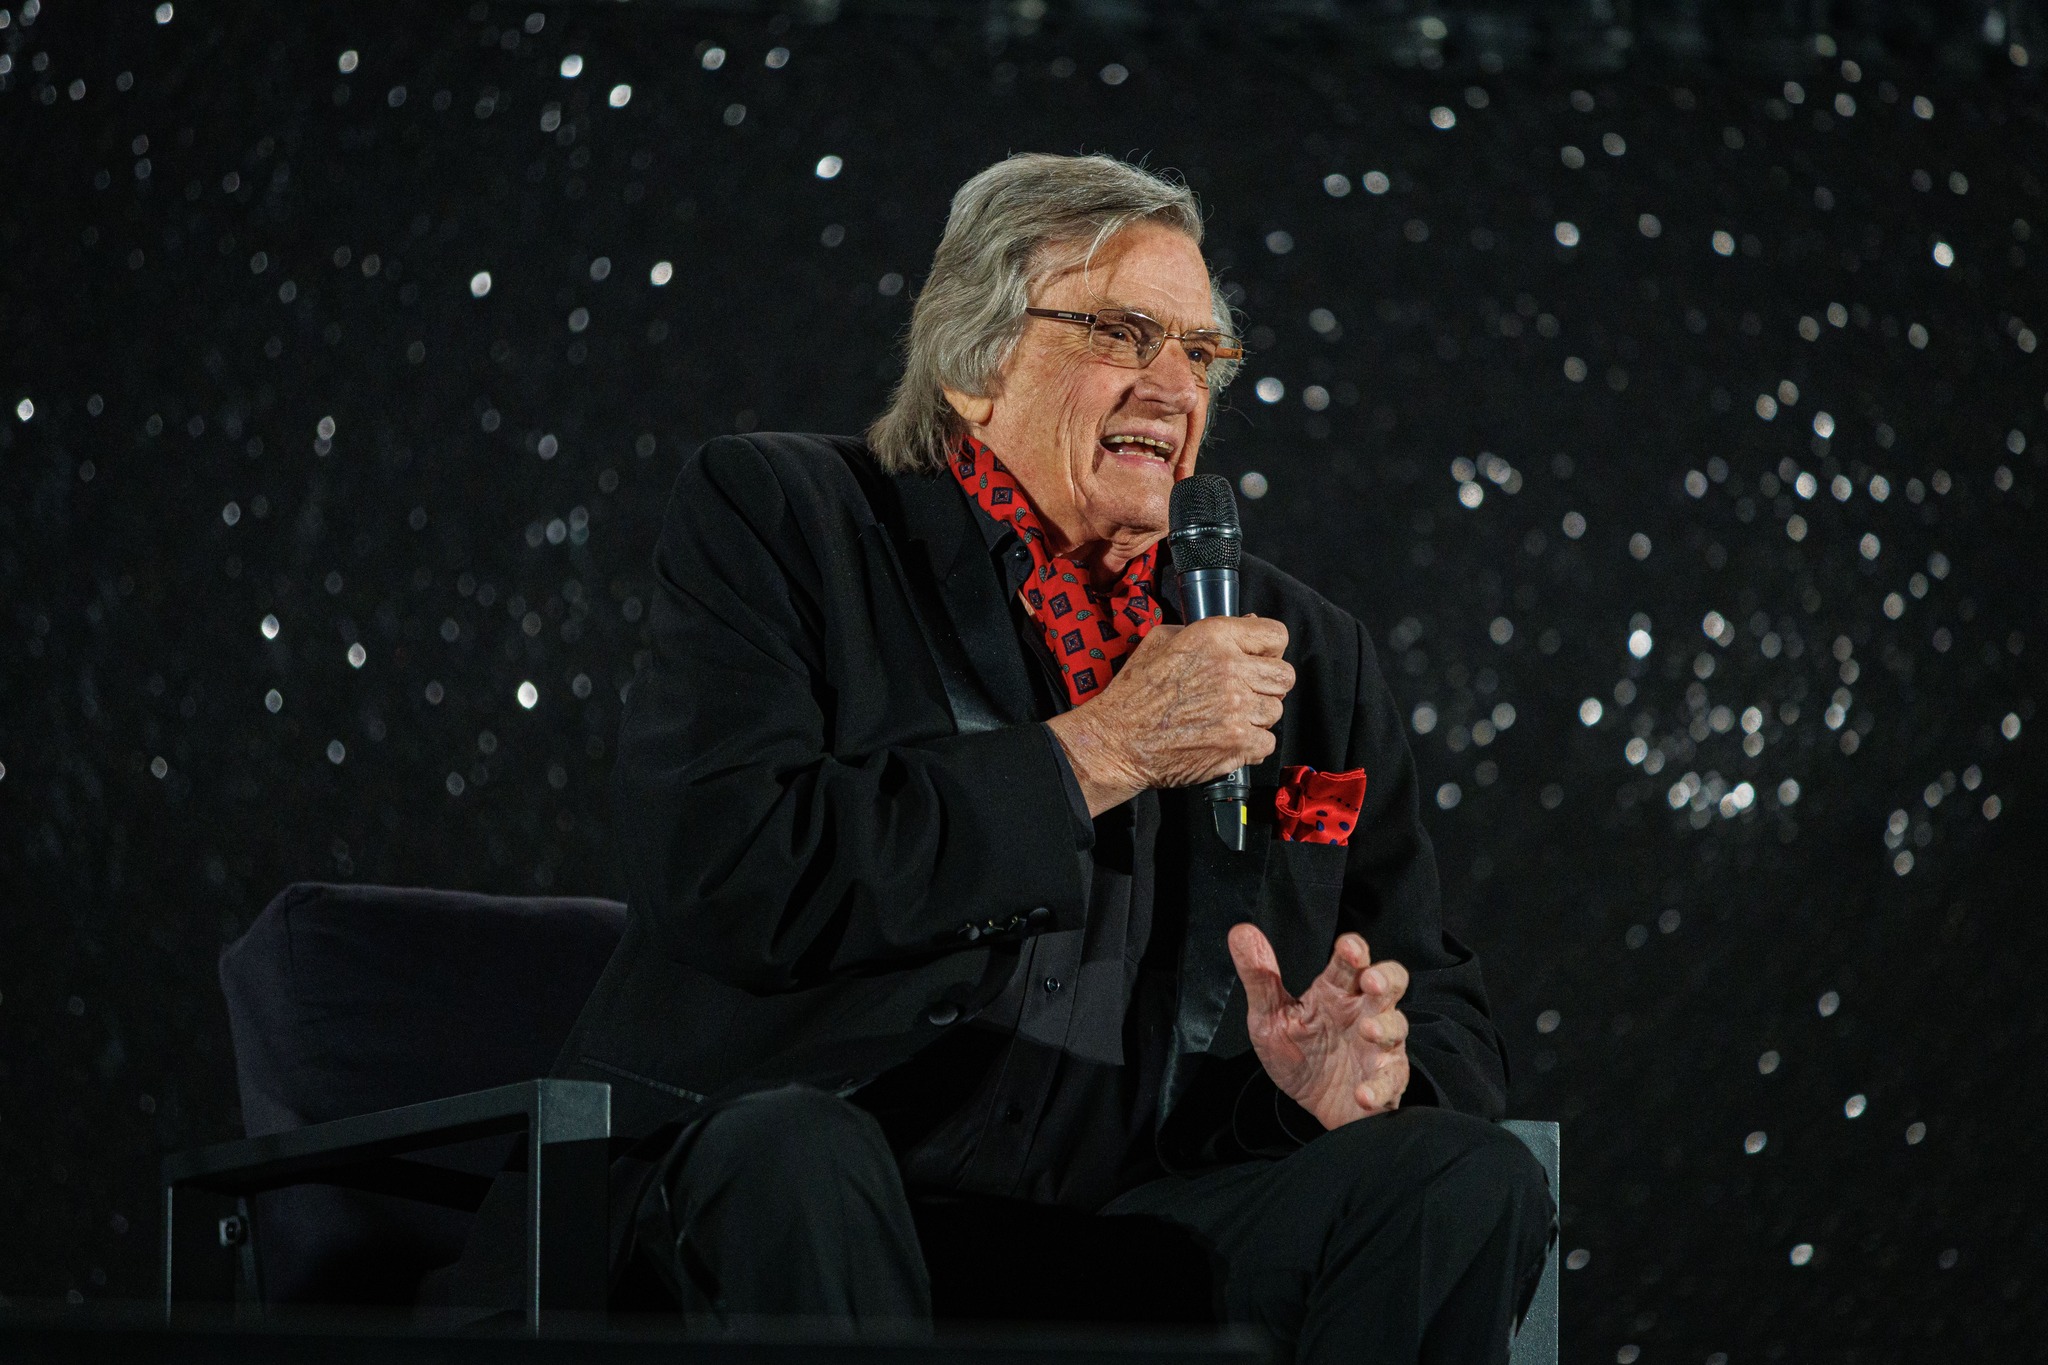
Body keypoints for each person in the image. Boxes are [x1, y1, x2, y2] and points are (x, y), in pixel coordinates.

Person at [452, 152, 1552, 1362]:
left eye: (1200, 352)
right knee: (799, 1160)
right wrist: (1102, 749)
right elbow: (728, 870)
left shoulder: (1303, 650)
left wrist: (1368, 1079)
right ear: (973, 366)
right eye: (1122, 333)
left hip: (1123, 1222)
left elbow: (1434, 998)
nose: (1171, 386)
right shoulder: (786, 518)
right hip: (810, 1179)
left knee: (1458, 1179)